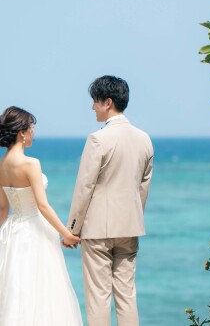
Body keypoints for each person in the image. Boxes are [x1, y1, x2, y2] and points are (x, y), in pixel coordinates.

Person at [0, 106, 83, 326]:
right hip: (35, 233)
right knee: (42, 292)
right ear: (22, 132)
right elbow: (43, 206)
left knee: (15, 293)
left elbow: (2, 209)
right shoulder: (31, 164)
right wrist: (67, 234)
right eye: (32, 128)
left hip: (11, 234)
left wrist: (3, 243)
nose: (34, 132)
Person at [66, 75, 154, 326]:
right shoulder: (144, 139)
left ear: (107, 102)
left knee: (98, 297)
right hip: (129, 226)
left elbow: (85, 187)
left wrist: (71, 229)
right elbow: (143, 187)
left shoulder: (98, 139)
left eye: (94, 101)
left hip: (97, 230)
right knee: (127, 295)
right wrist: (133, 216)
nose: (92, 106)